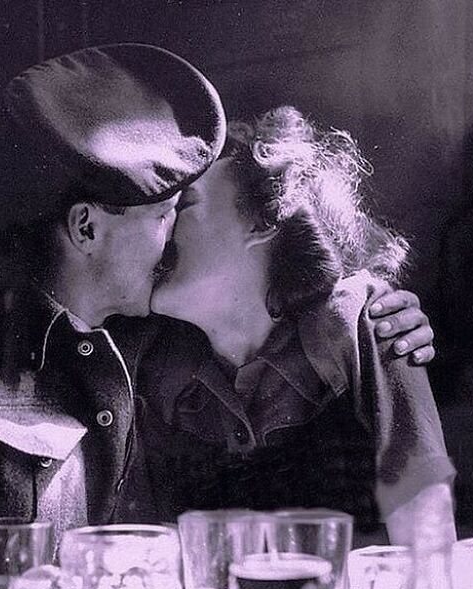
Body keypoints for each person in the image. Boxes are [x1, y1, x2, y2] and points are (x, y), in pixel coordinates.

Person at [0, 47, 434, 589]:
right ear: (86, 228)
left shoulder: (155, 345)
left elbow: (286, 294)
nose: (174, 242)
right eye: (166, 215)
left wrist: (383, 314)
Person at [145, 106, 456, 544]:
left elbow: (429, 542)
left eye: (186, 205)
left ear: (261, 221)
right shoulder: (163, 375)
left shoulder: (358, 326)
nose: (161, 228)